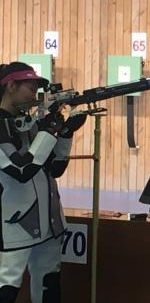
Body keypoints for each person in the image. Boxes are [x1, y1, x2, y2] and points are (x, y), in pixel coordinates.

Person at [0, 62, 87, 303]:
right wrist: (48, 131)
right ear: (11, 86)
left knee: (49, 287)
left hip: (48, 222)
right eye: (30, 87)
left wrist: (66, 133)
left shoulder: (27, 122)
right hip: (14, 225)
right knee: (7, 288)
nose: (35, 95)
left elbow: (55, 168)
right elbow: (21, 170)